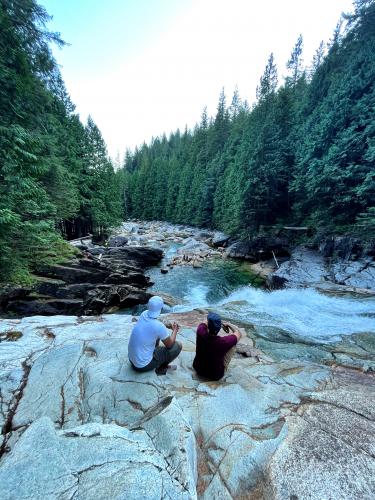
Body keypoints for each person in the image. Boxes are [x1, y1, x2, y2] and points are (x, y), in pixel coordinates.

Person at [128, 296, 182, 375]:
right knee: (177, 346)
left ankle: (155, 358)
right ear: (161, 308)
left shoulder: (143, 314)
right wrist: (175, 330)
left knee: (156, 339)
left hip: (132, 360)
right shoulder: (159, 326)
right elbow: (170, 345)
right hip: (142, 366)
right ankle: (161, 368)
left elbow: (153, 327)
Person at [193, 312, 241, 380]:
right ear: (219, 328)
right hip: (215, 375)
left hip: (198, 368)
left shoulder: (200, 331)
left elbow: (204, 322)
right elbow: (238, 334)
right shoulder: (224, 342)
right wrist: (229, 325)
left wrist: (211, 320)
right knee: (233, 345)